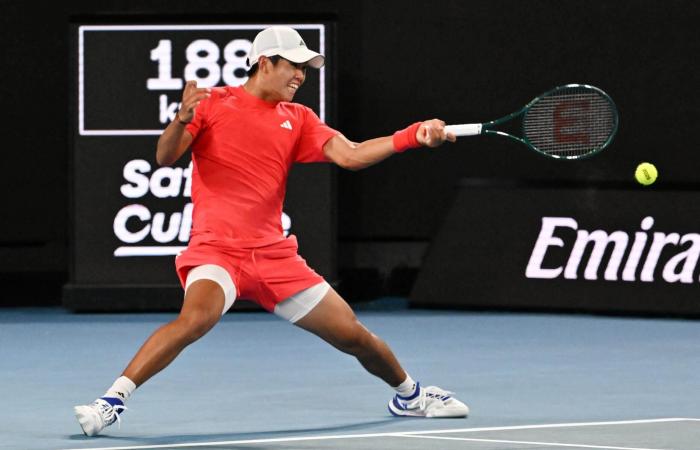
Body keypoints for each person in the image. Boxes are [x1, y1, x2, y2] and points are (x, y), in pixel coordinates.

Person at [74, 26, 468, 437]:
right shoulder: (212, 104)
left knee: (354, 336)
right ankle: (111, 402)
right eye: (294, 66)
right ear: (265, 63)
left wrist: (412, 136)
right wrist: (180, 119)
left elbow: (350, 155)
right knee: (194, 320)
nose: (301, 75)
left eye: (305, 68)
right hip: (217, 251)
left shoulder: (298, 118)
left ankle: (410, 396)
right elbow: (164, 156)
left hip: (274, 257)